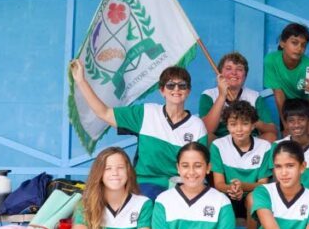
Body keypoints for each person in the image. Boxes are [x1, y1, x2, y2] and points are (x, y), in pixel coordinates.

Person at [70, 60, 207, 200]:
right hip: (147, 185)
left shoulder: (197, 126)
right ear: (162, 91)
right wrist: (81, 81)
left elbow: (200, 166)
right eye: (170, 85)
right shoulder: (146, 113)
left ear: (188, 91)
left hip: (184, 186)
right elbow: (104, 113)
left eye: (182, 86)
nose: (176, 90)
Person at [209, 100, 272, 229]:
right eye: (233, 124)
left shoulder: (264, 147)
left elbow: (263, 184)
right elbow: (218, 184)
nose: (239, 129)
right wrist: (232, 189)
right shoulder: (218, 145)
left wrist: (241, 185)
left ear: (253, 125)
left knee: (253, 198)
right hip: (228, 194)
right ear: (227, 126)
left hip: (250, 196)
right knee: (215, 199)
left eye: (244, 124)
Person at [199, 51, 277, 142]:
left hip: (249, 143)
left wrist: (249, 117)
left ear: (245, 75)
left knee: (271, 136)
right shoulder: (209, 95)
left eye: (239, 69)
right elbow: (207, 130)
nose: (234, 73)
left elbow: (272, 130)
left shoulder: (254, 96)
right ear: (220, 73)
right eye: (228, 68)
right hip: (221, 143)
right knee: (206, 137)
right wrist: (221, 96)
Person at [264, 23, 309, 135]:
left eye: (303, 45)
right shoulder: (271, 60)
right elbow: (278, 94)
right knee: (289, 145)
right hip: (288, 106)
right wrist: (285, 123)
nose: (299, 48)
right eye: (294, 43)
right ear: (282, 43)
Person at [276, 98, 309, 196]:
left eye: (301, 120)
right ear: (286, 123)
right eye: (291, 121)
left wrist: (304, 203)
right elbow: (278, 182)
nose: (296, 125)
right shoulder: (277, 146)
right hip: (284, 199)